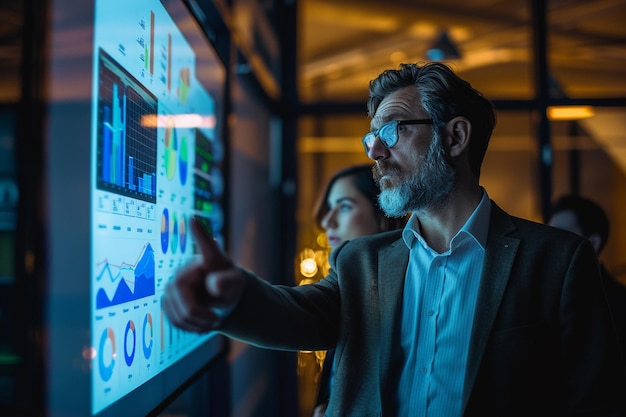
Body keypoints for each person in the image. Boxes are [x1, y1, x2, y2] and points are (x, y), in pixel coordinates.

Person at [163, 62, 626, 416]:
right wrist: (233, 297)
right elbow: (298, 315)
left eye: (391, 130)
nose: (376, 152)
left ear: (455, 137)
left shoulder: (557, 261)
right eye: (371, 139)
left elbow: (595, 402)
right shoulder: (360, 261)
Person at [311, 164, 407, 417]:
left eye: (344, 206)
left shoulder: (409, 295)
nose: (327, 221)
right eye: (330, 207)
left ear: (383, 213)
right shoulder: (350, 287)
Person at [547, 193, 626, 365]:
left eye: (560, 234)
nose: (550, 242)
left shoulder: (620, 304)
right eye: (549, 233)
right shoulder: (543, 294)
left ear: (593, 242)